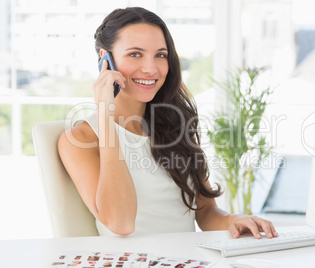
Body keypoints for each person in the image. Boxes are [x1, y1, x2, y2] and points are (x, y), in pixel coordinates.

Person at [58, 6, 278, 239]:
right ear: (106, 60)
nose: (151, 69)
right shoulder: (81, 139)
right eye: (135, 54)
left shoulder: (173, 124)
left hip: (189, 259)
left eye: (160, 55)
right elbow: (120, 223)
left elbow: (206, 212)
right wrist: (105, 116)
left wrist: (234, 220)